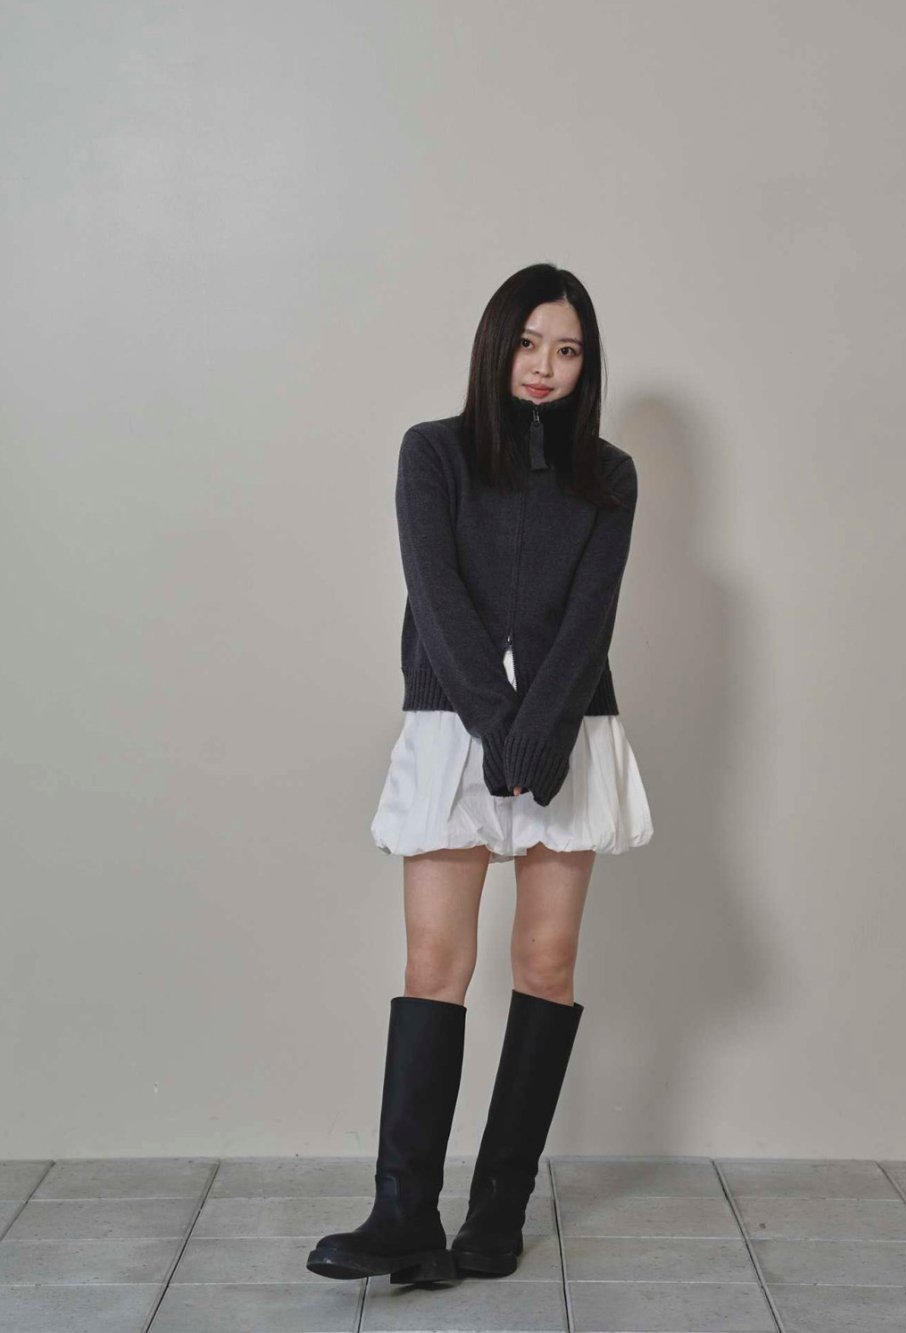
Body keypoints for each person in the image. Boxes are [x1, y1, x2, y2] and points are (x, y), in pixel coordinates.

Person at [307, 263, 654, 1286]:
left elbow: (591, 618)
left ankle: (495, 1216)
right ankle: (403, 1215)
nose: (545, 365)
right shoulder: (434, 453)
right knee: (434, 963)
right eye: (530, 342)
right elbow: (438, 597)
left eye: (568, 349)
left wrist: (538, 734)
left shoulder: (610, 475)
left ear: (586, 363)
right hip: (454, 727)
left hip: (566, 729)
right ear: (496, 343)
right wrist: (496, 727)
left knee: (545, 962)